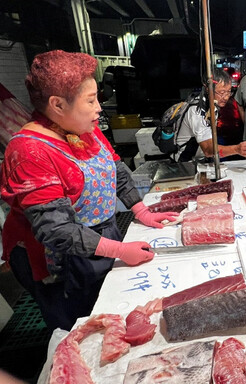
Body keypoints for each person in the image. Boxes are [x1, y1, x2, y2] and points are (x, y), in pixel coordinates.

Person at [0, 50, 179, 331]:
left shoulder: (84, 128)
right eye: (91, 100)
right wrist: (118, 249)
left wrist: (142, 211)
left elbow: (116, 169)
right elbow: (56, 230)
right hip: (58, 257)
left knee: (109, 309)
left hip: (101, 237)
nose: (99, 107)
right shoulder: (29, 151)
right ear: (57, 104)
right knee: (79, 325)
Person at [173, 68, 246, 162]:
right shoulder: (197, 111)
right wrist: (236, 149)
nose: (226, 97)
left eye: (229, 92)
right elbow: (208, 149)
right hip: (184, 162)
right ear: (208, 89)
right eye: (221, 92)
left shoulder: (212, 105)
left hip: (200, 159)